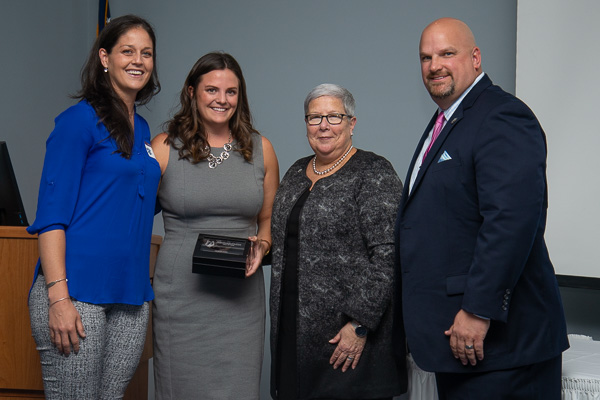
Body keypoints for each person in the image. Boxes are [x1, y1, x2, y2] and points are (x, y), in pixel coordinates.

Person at [394, 17, 569, 399]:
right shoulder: (448, 119)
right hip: (462, 347)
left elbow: (512, 220)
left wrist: (478, 310)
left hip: (499, 346)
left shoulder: (501, 115)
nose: (434, 65)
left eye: (447, 53)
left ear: (475, 57)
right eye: (425, 57)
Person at [26, 15, 161, 399]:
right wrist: (58, 298)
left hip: (132, 294)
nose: (138, 60)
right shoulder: (77, 122)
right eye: (127, 51)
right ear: (105, 57)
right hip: (77, 291)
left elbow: (135, 201)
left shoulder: (145, 131)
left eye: (146, 53)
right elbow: (51, 216)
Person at [150, 51, 279, 399]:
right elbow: (132, 213)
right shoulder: (163, 147)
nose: (222, 100)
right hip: (181, 297)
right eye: (211, 90)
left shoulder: (261, 149)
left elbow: (268, 220)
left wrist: (262, 246)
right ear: (192, 92)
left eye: (231, 92)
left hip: (241, 301)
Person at [270, 83, 407, 400]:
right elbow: (286, 243)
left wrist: (360, 324)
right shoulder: (294, 173)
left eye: (334, 116)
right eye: (314, 117)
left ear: (352, 123)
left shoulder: (373, 172)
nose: (323, 125)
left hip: (349, 340)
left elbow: (389, 254)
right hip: (293, 336)